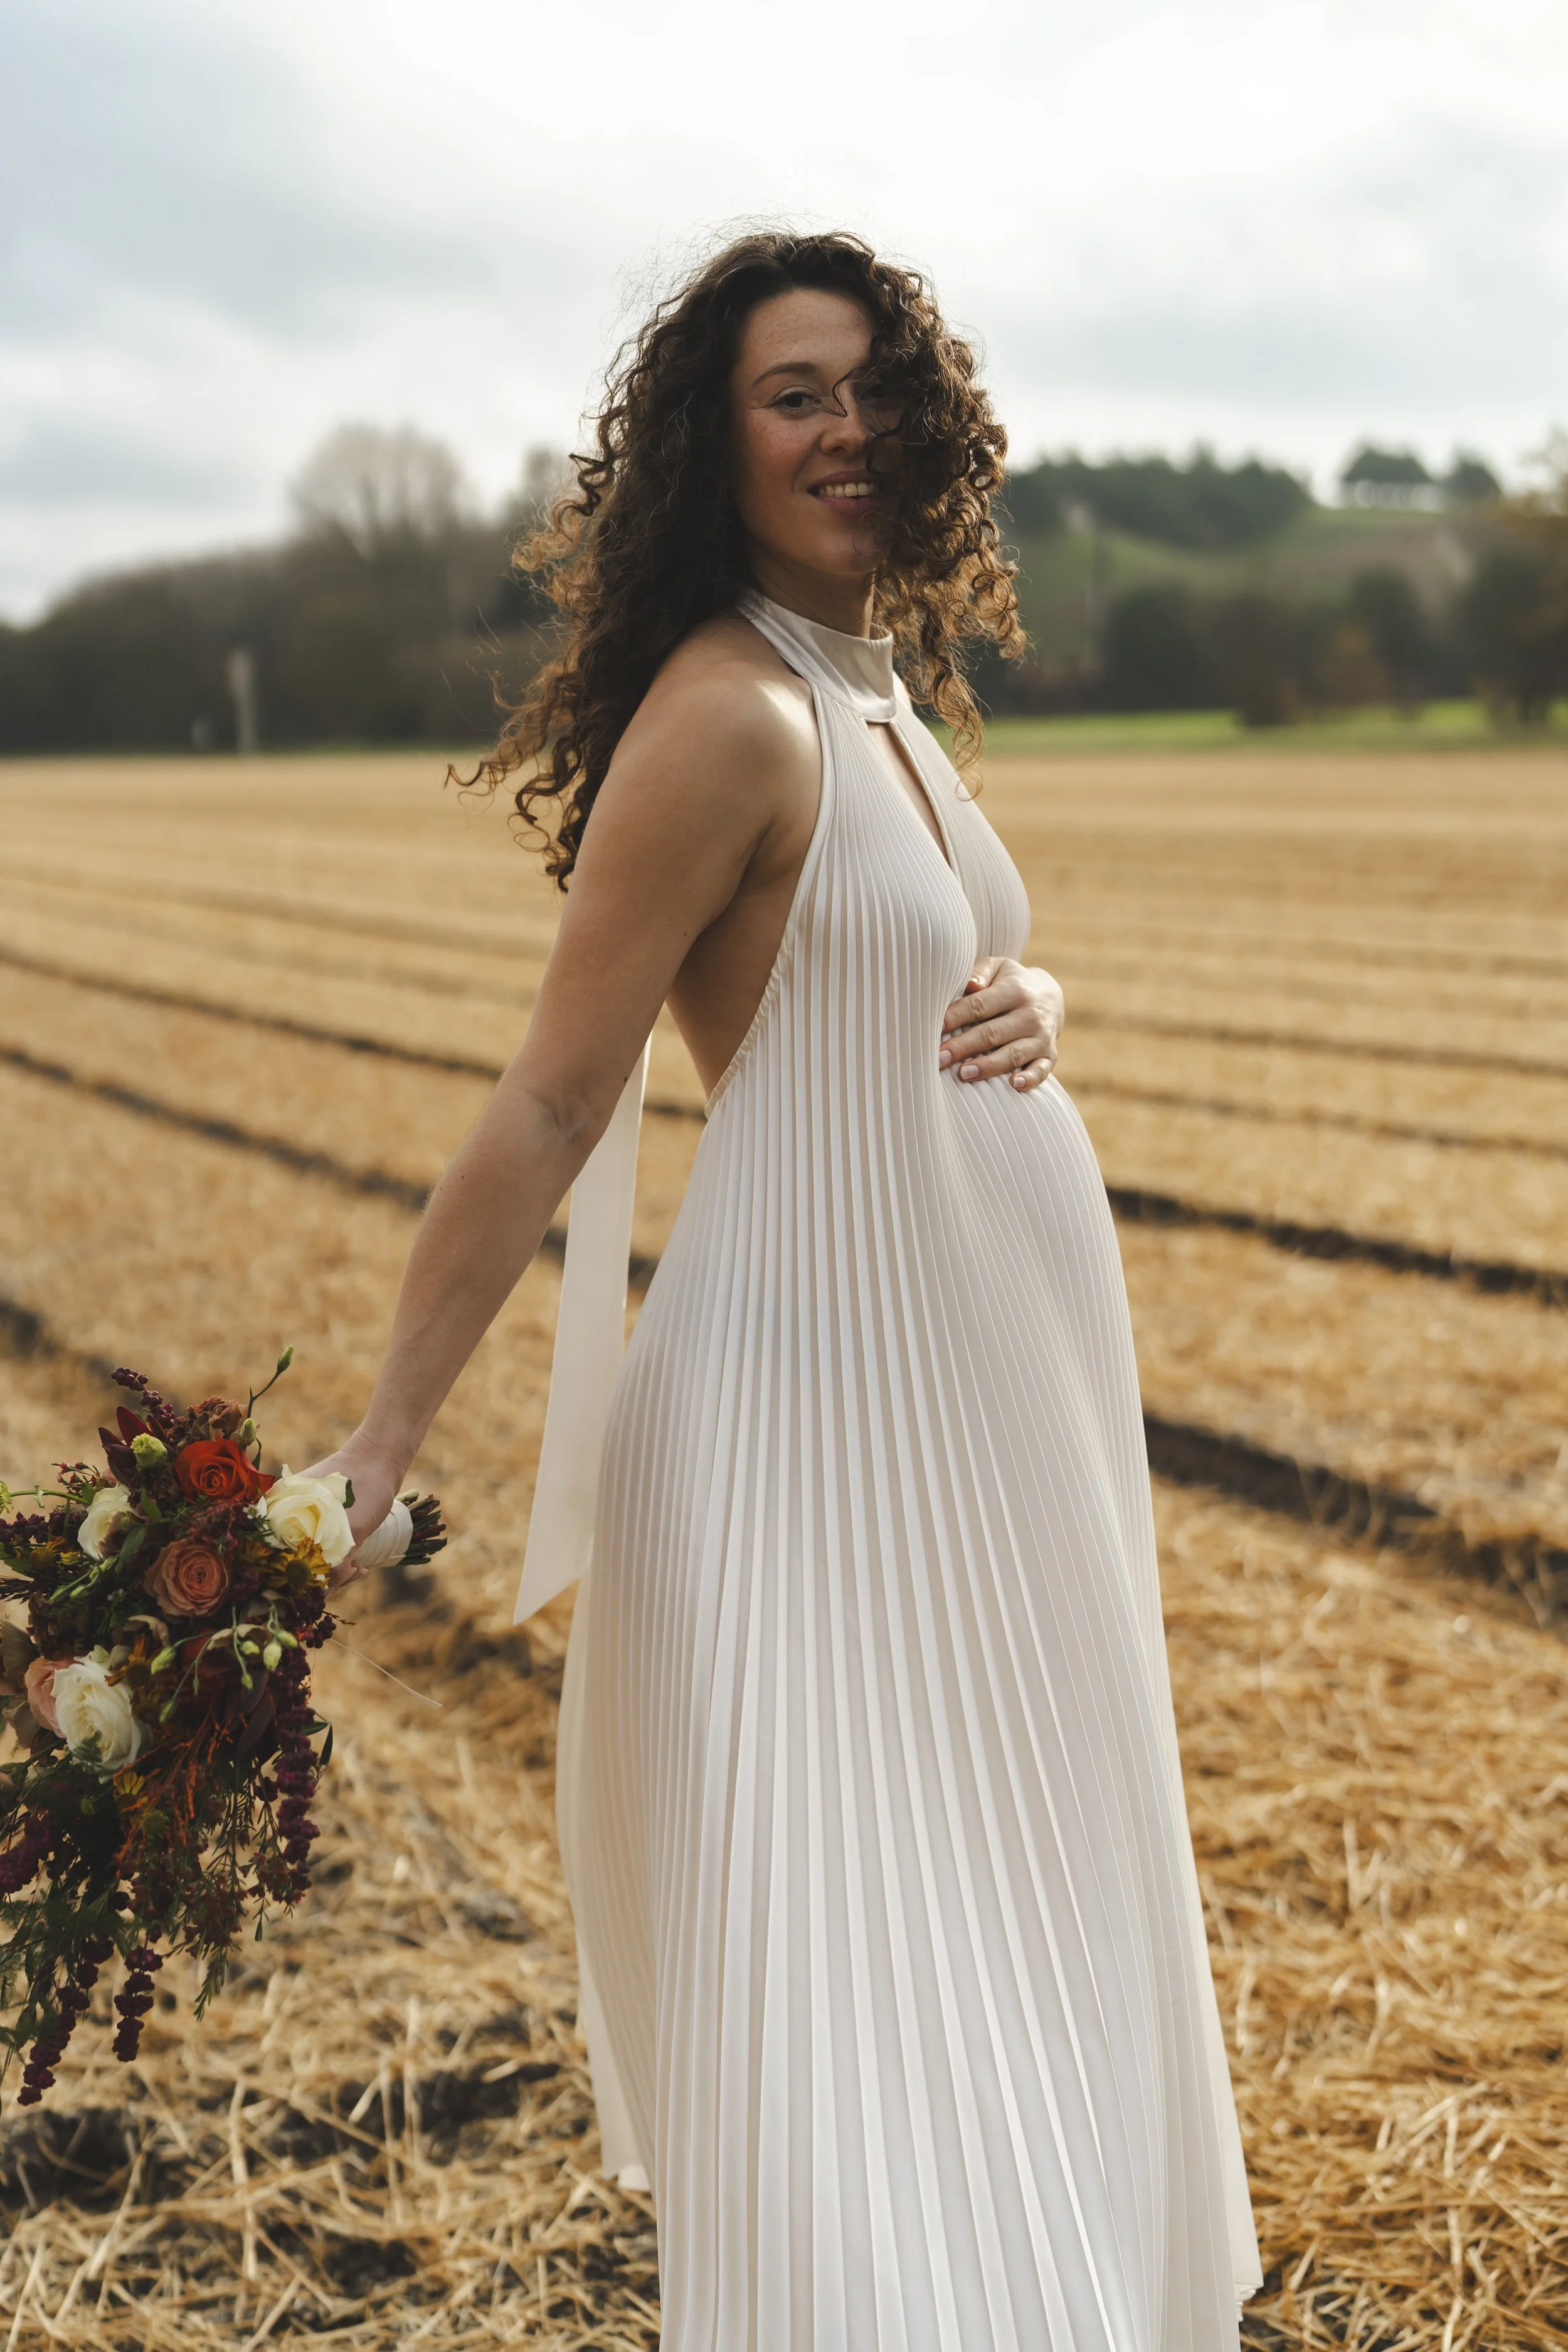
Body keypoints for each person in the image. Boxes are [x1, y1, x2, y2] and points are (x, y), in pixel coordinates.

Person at [311, 230, 1261, 2349]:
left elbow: (935, 953)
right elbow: (560, 1097)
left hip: (977, 1421)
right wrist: (386, 1432)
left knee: (1012, 1904)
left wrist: (1034, 985)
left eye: (869, 388)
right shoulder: (730, 717)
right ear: (711, 448)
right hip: (804, 1429)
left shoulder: (879, 690)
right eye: (793, 395)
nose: (847, 431)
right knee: (855, 1959)